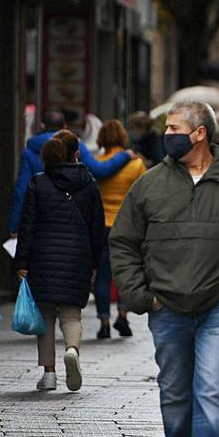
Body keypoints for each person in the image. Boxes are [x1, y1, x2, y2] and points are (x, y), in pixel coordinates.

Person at [110, 101, 219, 437]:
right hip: (167, 308)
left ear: (199, 133)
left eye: (173, 128)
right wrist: (142, 296)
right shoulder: (150, 183)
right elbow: (123, 242)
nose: (166, 135)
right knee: (175, 398)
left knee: (212, 395)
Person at [14, 130, 106, 392]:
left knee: (45, 317)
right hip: (78, 256)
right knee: (71, 314)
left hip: (42, 256)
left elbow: (27, 225)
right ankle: (73, 351)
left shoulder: (38, 182)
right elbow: (97, 227)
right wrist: (94, 263)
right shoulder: (89, 183)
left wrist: (22, 262)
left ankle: (50, 374)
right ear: (76, 154)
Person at [9, 107, 132, 237]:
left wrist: (14, 226)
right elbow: (100, 171)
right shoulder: (76, 146)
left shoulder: (29, 152)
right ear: (65, 127)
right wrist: (125, 156)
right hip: (71, 220)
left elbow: (21, 191)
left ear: (42, 125)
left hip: (39, 221)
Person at [93, 120, 147, 339]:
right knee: (126, 272)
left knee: (103, 275)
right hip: (126, 226)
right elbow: (144, 194)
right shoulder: (136, 165)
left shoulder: (98, 163)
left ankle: (104, 322)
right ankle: (123, 315)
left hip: (102, 226)